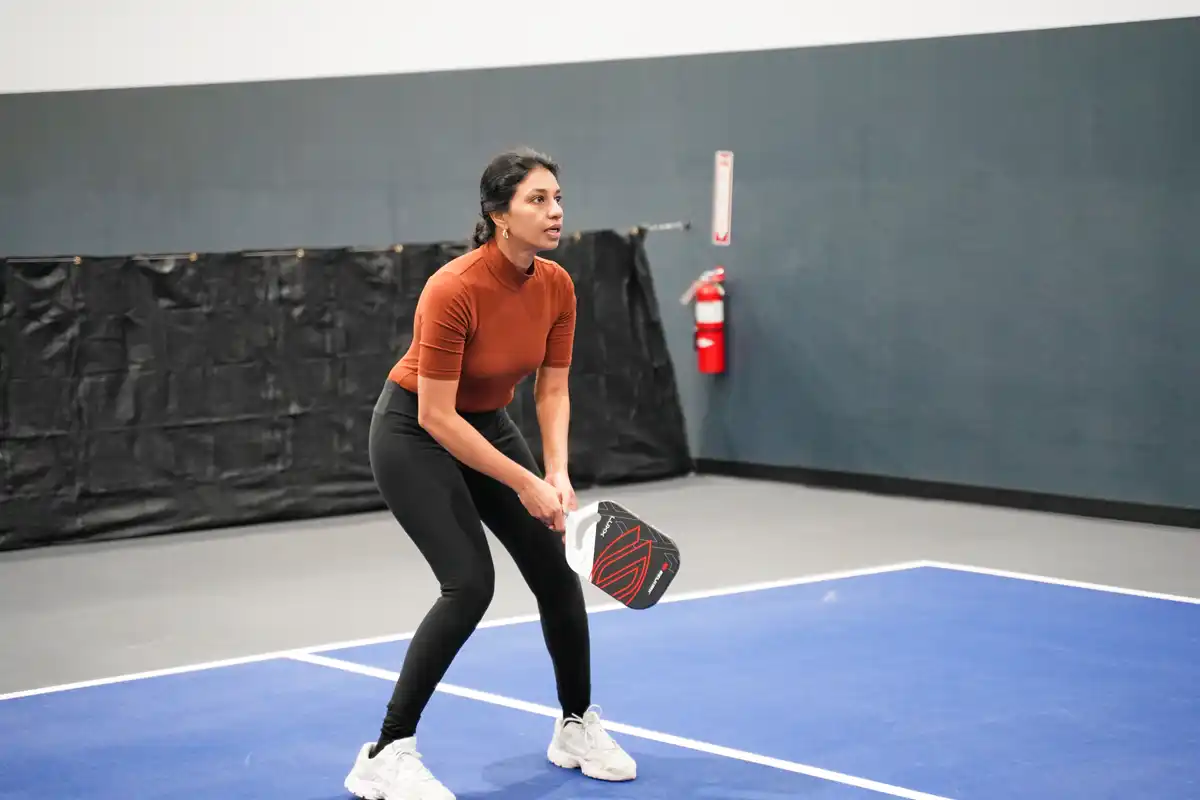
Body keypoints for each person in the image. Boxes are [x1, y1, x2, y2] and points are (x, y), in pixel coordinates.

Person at [343, 147, 637, 800]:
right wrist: (525, 482)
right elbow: (440, 418)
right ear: (499, 214)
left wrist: (555, 470)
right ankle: (386, 753)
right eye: (537, 200)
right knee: (469, 584)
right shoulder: (454, 288)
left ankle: (575, 724)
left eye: (558, 197)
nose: (555, 210)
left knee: (556, 570)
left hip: (489, 425)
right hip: (414, 433)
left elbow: (552, 388)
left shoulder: (557, 285)